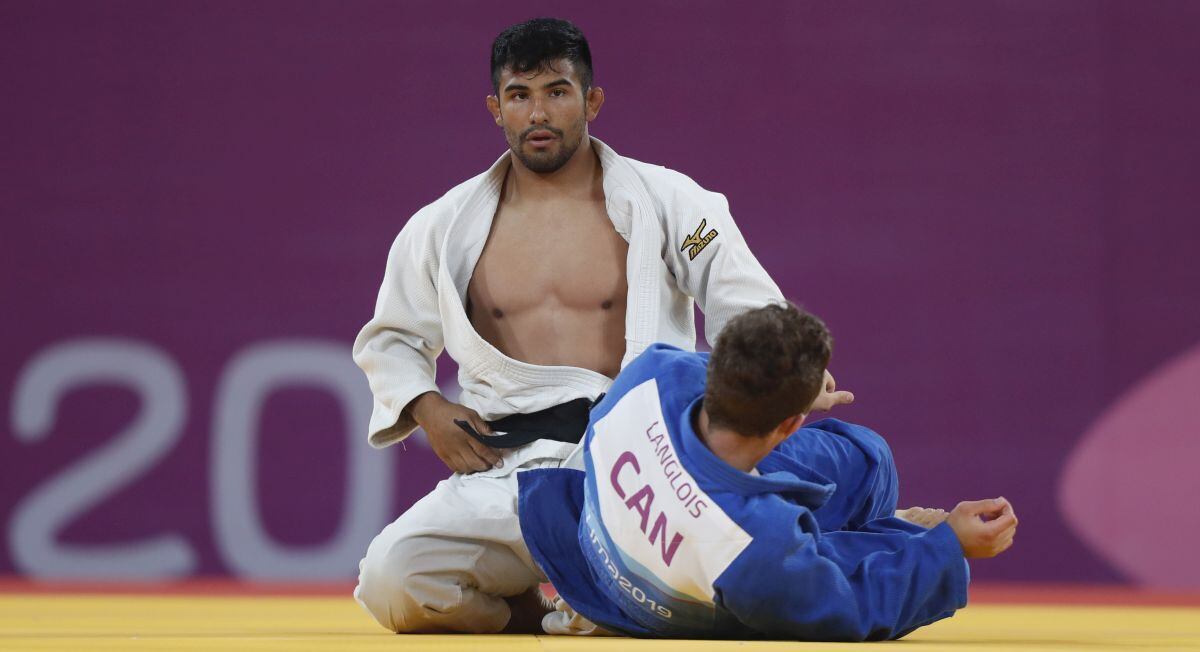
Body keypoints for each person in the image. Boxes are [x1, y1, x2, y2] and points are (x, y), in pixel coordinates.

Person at [351, 18, 844, 634]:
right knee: (394, 581)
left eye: (557, 91)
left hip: (647, 467)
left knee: (717, 596)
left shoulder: (673, 204)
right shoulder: (439, 229)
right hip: (511, 470)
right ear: (494, 108)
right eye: (519, 95)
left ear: (592, 100)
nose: (538, 112)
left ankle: (594, 607)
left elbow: (742, 302)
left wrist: (788, 373)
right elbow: (393, 337)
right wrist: (424, 405)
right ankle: (530, 612)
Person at [518, 303, 1019, 640]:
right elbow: (854, 609)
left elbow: (708, 370)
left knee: (867, 463)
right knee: (852, 541)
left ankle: (888, 529)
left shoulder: (651, 373)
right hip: (657, 603)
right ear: (790, 423)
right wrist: (950, 545)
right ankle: (898, 533)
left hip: (587, 544)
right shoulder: (756, 541)